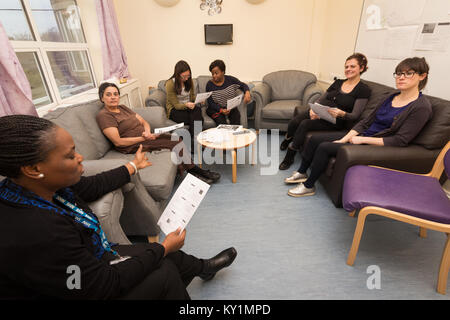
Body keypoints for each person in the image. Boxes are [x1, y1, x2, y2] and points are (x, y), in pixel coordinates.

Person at [0, 115, 237, 299]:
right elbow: (99, 285)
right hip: (84, 289)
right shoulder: (36, 231)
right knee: (163, 270)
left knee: (160, 255)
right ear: (32, 169)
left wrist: (132, 166)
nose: (80, 158)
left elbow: (92, 185)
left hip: (94, 263)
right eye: (70, 156)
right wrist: (162, 249)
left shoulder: (45, 187)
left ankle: (203, 268)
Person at [286, 57, 432, 197]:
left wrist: (362, 140)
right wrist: (345, 139)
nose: (401, 77)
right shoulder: (390, 97)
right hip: (362, 135)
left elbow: (400, 140)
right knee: (315, 139)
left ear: (422, 76)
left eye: (408, 74)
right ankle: (302, 171)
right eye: (399, 73)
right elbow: (365, 122)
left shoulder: (421, 107)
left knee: (324, 147)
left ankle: (308, 186)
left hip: (376, 143)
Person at [96, 82, 220, 184]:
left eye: (115, 94)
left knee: (175, 138)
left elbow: (143, 121)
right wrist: (142, 138)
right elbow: (118, 142)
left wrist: (147, 131)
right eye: (108, 95)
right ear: (102, 98)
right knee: (175, 143)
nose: (113, 97)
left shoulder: (123, 108)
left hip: (145, 137)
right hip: (131, 145)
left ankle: (192, 170)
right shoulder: (104, 115)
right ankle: (196, 172)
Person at [279, 53, 371, 170]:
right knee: (294, 121)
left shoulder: (363, 89)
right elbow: (321, 99)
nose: (348, 69)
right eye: (346, 67)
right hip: (321, 111)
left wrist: (341, 113)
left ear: (361, 68)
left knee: (305, 124)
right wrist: (313, 109)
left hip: (335, 121)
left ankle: (289, 156)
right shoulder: (338, 83)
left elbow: (355, 116)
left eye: (352, 66)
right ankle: (288, 139)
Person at [165, 60, 203, 145]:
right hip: (174, 110)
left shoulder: (189, 81)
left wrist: (199, 99)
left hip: (187, 107)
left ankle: (192, 141)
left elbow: (192, 97)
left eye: (188, 76)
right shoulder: (170, 84)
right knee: (198, 119)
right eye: (184, 76)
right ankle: (196, 141)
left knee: (198, 111)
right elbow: (176, 105)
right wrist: (186, 104)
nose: (186, 78)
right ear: (177, 74)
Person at [206, 59, 252, 125]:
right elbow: (210, 102)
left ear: (223, 72)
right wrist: (221, 110)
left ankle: (235, 134)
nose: (214, 76)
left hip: (230, 107)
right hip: (216, 109)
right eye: (212, 73)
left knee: (236, 117)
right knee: (221, 122)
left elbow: (243, 85)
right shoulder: (209, 84)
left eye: (216, 73)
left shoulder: (230, 80)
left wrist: (247, 92)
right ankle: (224, 134)